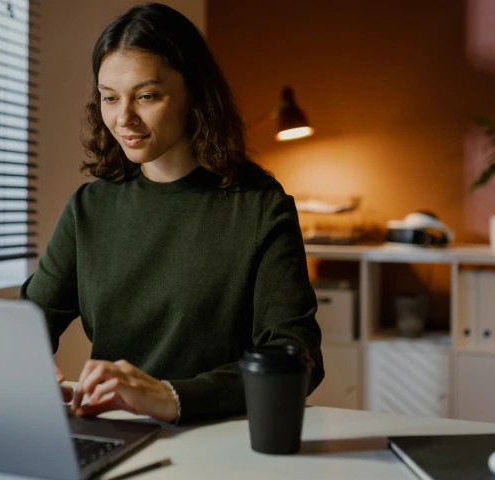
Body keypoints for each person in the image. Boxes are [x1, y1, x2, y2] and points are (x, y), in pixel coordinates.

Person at [19, 2, 324, 425]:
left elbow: (295, 356)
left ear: (194, 93)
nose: (123, 118)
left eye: (146, 96)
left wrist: (171, 396)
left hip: (220, 433)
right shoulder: (89, 208)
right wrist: (20, 365)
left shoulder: (259, 206)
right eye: (109, 98)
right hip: (113, 429)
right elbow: (27, 325)